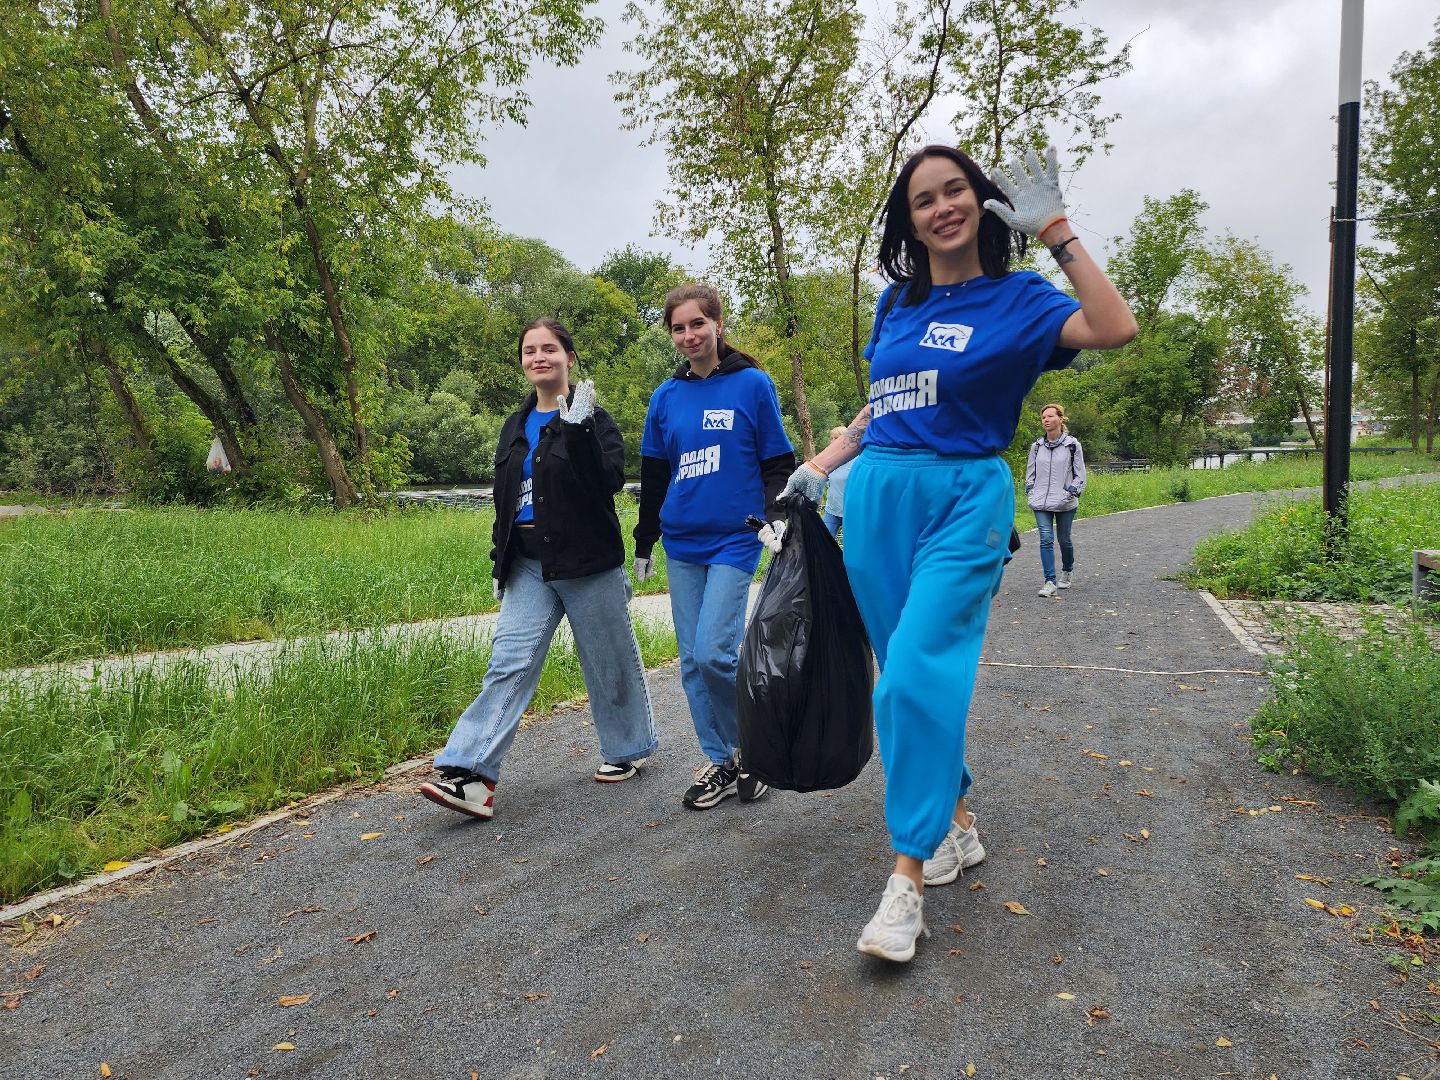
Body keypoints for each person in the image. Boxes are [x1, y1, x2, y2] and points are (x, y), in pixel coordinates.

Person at [781, 145, 1137, 962]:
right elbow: (884, 403)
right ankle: (958, 823)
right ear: (908, 222)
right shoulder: (894, 305)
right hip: (875, 500)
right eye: (923, 200)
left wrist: (1057, 232)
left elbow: (1115, 328)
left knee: (911, 675)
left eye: (956, 191)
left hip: (964, 501)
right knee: (908, 673)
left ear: (981, 201)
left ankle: (905, 880)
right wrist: (825, 463)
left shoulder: (1020, 300)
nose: (942, 207)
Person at [420, 319, 658, 820]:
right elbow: (504, 497)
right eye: (530, 351)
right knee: (509, 661)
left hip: (588, 561)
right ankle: (472, 774)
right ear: (524, 362)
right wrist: (497, 561)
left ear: (570, 358)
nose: (539, 357)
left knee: (608, 661)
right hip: (528, 563)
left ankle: (628, 749)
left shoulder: (597, 420)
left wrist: (581, 431)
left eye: (549, 349)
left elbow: (608, 483)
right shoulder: (514, 425)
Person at [633, 283, 796, 810]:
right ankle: (724, 759)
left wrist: (775, 516)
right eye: (678, 328)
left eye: (697, 324)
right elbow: (654, 476)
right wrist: (643, 540)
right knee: (690, 661)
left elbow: (777, 461)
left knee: (714, 652)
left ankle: (754, 748)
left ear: (718, 324)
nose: (688, 336)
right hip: (682, 541)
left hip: (734, 538)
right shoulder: (666, 397)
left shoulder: (752, 385)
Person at [1025, 403, 1087, 597]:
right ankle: (1049, 581)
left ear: (1061, 419)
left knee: (1064, 539)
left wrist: (1070, 492)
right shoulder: (1036, 447)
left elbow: (1080, 476)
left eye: (1050, 416)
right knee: (1045, 538)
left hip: (1064, 501)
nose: (1046, 420)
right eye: (1043, 417)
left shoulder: (1072, 446)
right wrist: (1031, 492)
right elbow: (1030, 474)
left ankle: (1067, 571)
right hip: (1041, 502)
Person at [821, 426, 853, 539]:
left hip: (850, 513)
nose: (832, 441)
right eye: (831, 438)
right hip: (831, 510)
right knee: (824, 543)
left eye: (836, 438)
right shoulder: (828, 460)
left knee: (852, 547)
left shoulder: (857, 462)